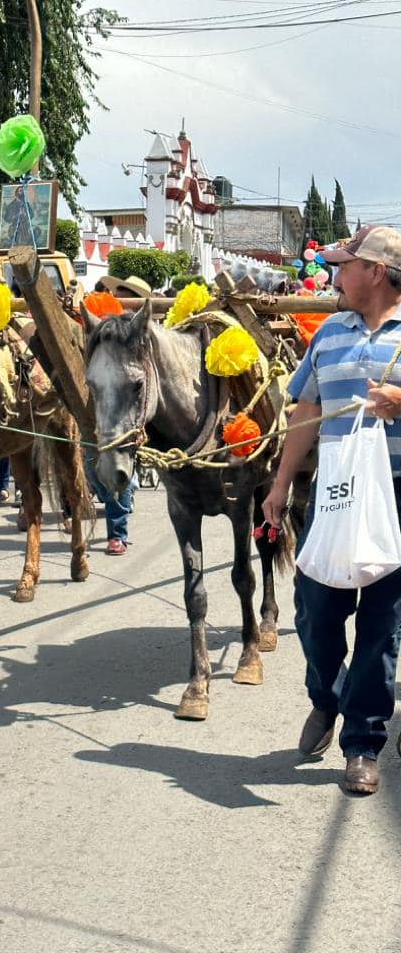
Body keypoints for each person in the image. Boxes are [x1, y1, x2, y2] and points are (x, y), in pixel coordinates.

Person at [262, 225, 401, 796]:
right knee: (314, 612)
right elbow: (305, 414)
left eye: (345, 265)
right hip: (334, 493)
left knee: (381, 626)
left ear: (375, 271)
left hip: (395, 496)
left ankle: (363, 744)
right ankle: (327, 696)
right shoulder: (328, 333)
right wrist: (279, 484)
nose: (334, 274)